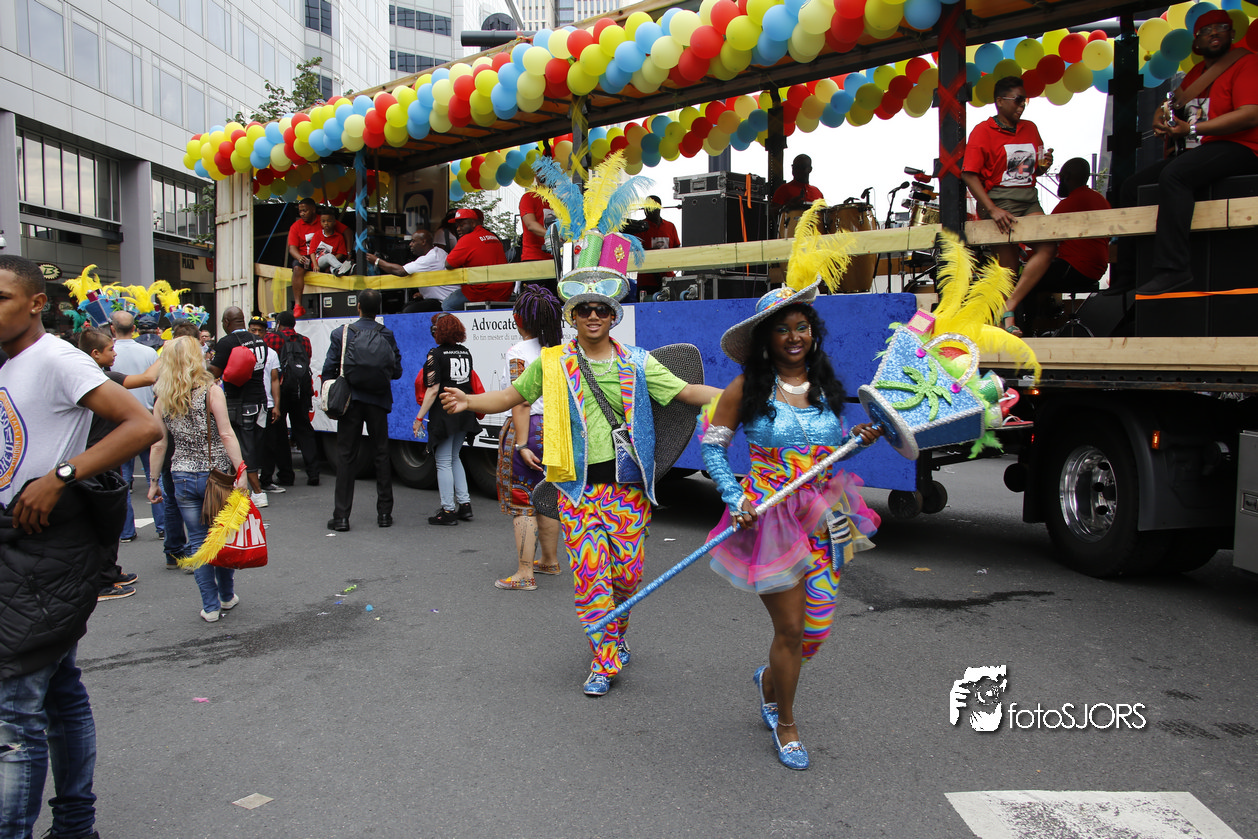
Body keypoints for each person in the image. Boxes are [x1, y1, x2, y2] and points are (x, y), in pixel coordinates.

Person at [440, 278, 721, 696]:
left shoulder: (637, 361)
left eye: (601, 309)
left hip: (627, 494)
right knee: (591, 580)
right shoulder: (552, 362)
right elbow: (512, 396)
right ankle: (603, 659)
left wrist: (741, 396)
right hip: (577, 493)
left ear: (612, 317)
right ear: (572, 317)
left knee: (626, 579)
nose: (592, 315)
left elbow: (687, 391)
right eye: (584, 309)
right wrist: (469, 402)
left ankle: (616, 633)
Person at [0, 254, 162, 839]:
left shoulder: (57, 358)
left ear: (36, 303)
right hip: (20, 545)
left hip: (46, 547)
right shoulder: (11, 363)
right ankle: (75, 823)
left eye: (1, 298)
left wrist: (60, 477)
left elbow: (143, 426)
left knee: (14, 711)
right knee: (58, 690)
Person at [701, 283, 881, 770]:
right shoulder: (746, 388)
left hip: (827, 516)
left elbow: (829, 453)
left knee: (815, 632)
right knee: (792, 628)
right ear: (766, 339)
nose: (794, 336)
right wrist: (735, 496)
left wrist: (856, 440)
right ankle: (787, 724)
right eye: (782, 329)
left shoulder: (823, 386)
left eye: (802, 327)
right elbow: (713, 448)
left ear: (813, 334)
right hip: (771, 519)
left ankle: (768, 680)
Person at [1111, 11, 1258, 296]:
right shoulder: (1197, 73)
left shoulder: (1248, 63)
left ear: (1231, 34)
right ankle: (1128, 274)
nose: (1214, 33)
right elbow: (1173, 102)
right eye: (1206, 30)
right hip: (1205, 148)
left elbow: (1251, 114)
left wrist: (1191, 128)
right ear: (1196, 42)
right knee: (1130, 187)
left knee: (1175, 175)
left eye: (1221, 27)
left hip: (1242, 147)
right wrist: (1159, 115)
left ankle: (1174, 269)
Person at [147, 336, 249, 622]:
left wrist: (153, 482)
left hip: (181, 474)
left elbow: (159, 444)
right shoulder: (211, 391)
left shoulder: (163, 397)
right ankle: (226, 595)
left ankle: (210, 606)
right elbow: (226, 433)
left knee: (198, 541)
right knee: (220, 537)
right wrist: (241, 469)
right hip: (215, 474)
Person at [961, 75, 1055, 335]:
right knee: (1008, 266)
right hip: (999, 200)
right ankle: (1007, 321)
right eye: (1017, 100)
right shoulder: (983, 131)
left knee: (1048, 245)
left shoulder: (1030, 128)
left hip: (1029, 199)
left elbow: (1033, 169)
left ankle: (1009, 304)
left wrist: (1043, 165)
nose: (1022, 105)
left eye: (1025, 101)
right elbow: (969, 174)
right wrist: (991, 209)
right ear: (999, 101)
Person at [79, 327, 160, 600]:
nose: (115, 354)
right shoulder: (99, 379)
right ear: (95, 353)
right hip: (97, 458)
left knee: (110, 519)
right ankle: (102, 580)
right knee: (103, 521)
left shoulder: (95, 377)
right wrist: (169, 351)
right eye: (110, 350)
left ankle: (109, 571)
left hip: (102, 455)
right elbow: (148, 378)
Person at [492, 287, 564, 590]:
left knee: (524, 500)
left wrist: (521, 444)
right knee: (548, 495)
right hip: (557, 429)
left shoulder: (518, 352)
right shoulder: (562, 350)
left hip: (529, 429)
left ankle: (524, 573)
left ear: (519, 318)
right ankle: (549, 560)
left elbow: (521, 400)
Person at [322, 288, 403, 531]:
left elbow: (329, 369)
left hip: (351, 402)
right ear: (378, 310)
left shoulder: (342, 333)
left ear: (358, 306)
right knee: (381, 454)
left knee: (346, 456)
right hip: (378, 401)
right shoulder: (386, 334)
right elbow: (397, 371)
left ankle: (341, 517)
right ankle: (385, 514)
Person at [1003, 157, 1112, 327]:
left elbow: (1045, 239)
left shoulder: (1071, 202)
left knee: (1025, 280)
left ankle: (1026, 329)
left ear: (1066, 176)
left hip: (1075, 267)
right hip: (1096, 270)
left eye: (1059, 177)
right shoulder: (1100, 200)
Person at [414, 313, 481, 526]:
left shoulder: (435, 354)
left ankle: (448, 510)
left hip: (444, 413)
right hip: (464, 411)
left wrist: (419, 417)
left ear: (439, 331)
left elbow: (432, 389)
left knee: (443, 461)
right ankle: (465, 504)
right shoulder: (465, 352)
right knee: (454, 457)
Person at [208, 307, 274, 508]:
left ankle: (258, 492)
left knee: (243, 448)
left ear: (226, 322)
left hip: (239, 402)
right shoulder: (259, 340)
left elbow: (213, 372)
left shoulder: (227, 342)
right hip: (260, 400)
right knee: (253, 445)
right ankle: (239, 487)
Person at [109, 310, 165, 544]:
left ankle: (125, 531)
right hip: (147, 416)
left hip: (118, 421)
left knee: (121, 478)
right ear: (134, 329)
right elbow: (157, 384)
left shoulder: (108, 352)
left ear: (112, 329)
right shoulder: (149, 352)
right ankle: (163, 526)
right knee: (155, 473)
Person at [261, 310, 320, 487]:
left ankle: (286, 475)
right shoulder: (305, 341)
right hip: (301, 390)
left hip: (280, 390)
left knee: (280, 432)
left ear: (278, 323)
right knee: (304, 429)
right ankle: (313, 473)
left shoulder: (271, 339)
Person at [441, 208, 510, 311]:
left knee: (447, 305)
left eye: (462, 225)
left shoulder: (467, 239)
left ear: (473, 223)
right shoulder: (492, 236)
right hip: (504, 292)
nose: (458, 229)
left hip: (481, 291)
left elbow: (448, 264)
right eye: (457, 226)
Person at [370, 229, 455, 312]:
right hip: (444, 298)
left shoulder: (430, 258)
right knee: (408, 306)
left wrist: (376, 261)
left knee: (408, 310)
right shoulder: (439, 252)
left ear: (423, 242)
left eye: (413, 241)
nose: (410, 244)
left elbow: (400, 271)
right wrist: (424, 294)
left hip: (443, 302)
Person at [248, 316, 285, 495]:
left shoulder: (271, 354)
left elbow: (275, 380)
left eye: (260, 331)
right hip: (248, 404)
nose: (256, 333)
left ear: (265, 333)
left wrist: (276, 405)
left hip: (267, 404)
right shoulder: (242, 351)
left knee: (269, 444)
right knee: (248, 444)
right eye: (253, 330)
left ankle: (267, 480)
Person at [636, 196, 681, 300]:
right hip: (647, 280)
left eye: (650, 207)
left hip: (668, 278)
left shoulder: (670, 226)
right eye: (645, 208)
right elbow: (636, 250)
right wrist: (657, 252)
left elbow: (677, 247)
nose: (647, 211)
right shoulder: (639, 227)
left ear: (659, 207)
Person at [309, 208, 355, 276]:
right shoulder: (317, 234)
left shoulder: (339, 237)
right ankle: (343, 268)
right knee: (328, 256)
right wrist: (315, 265)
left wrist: (331, 261)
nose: (326, 223)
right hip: (319, 262)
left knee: (332, 267)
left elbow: (340, 254)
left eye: (329, 221)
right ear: (320, 222)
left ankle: (338, 270)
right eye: (323, 221)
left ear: (334, 222)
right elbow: (312, 252)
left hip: (332, 263)